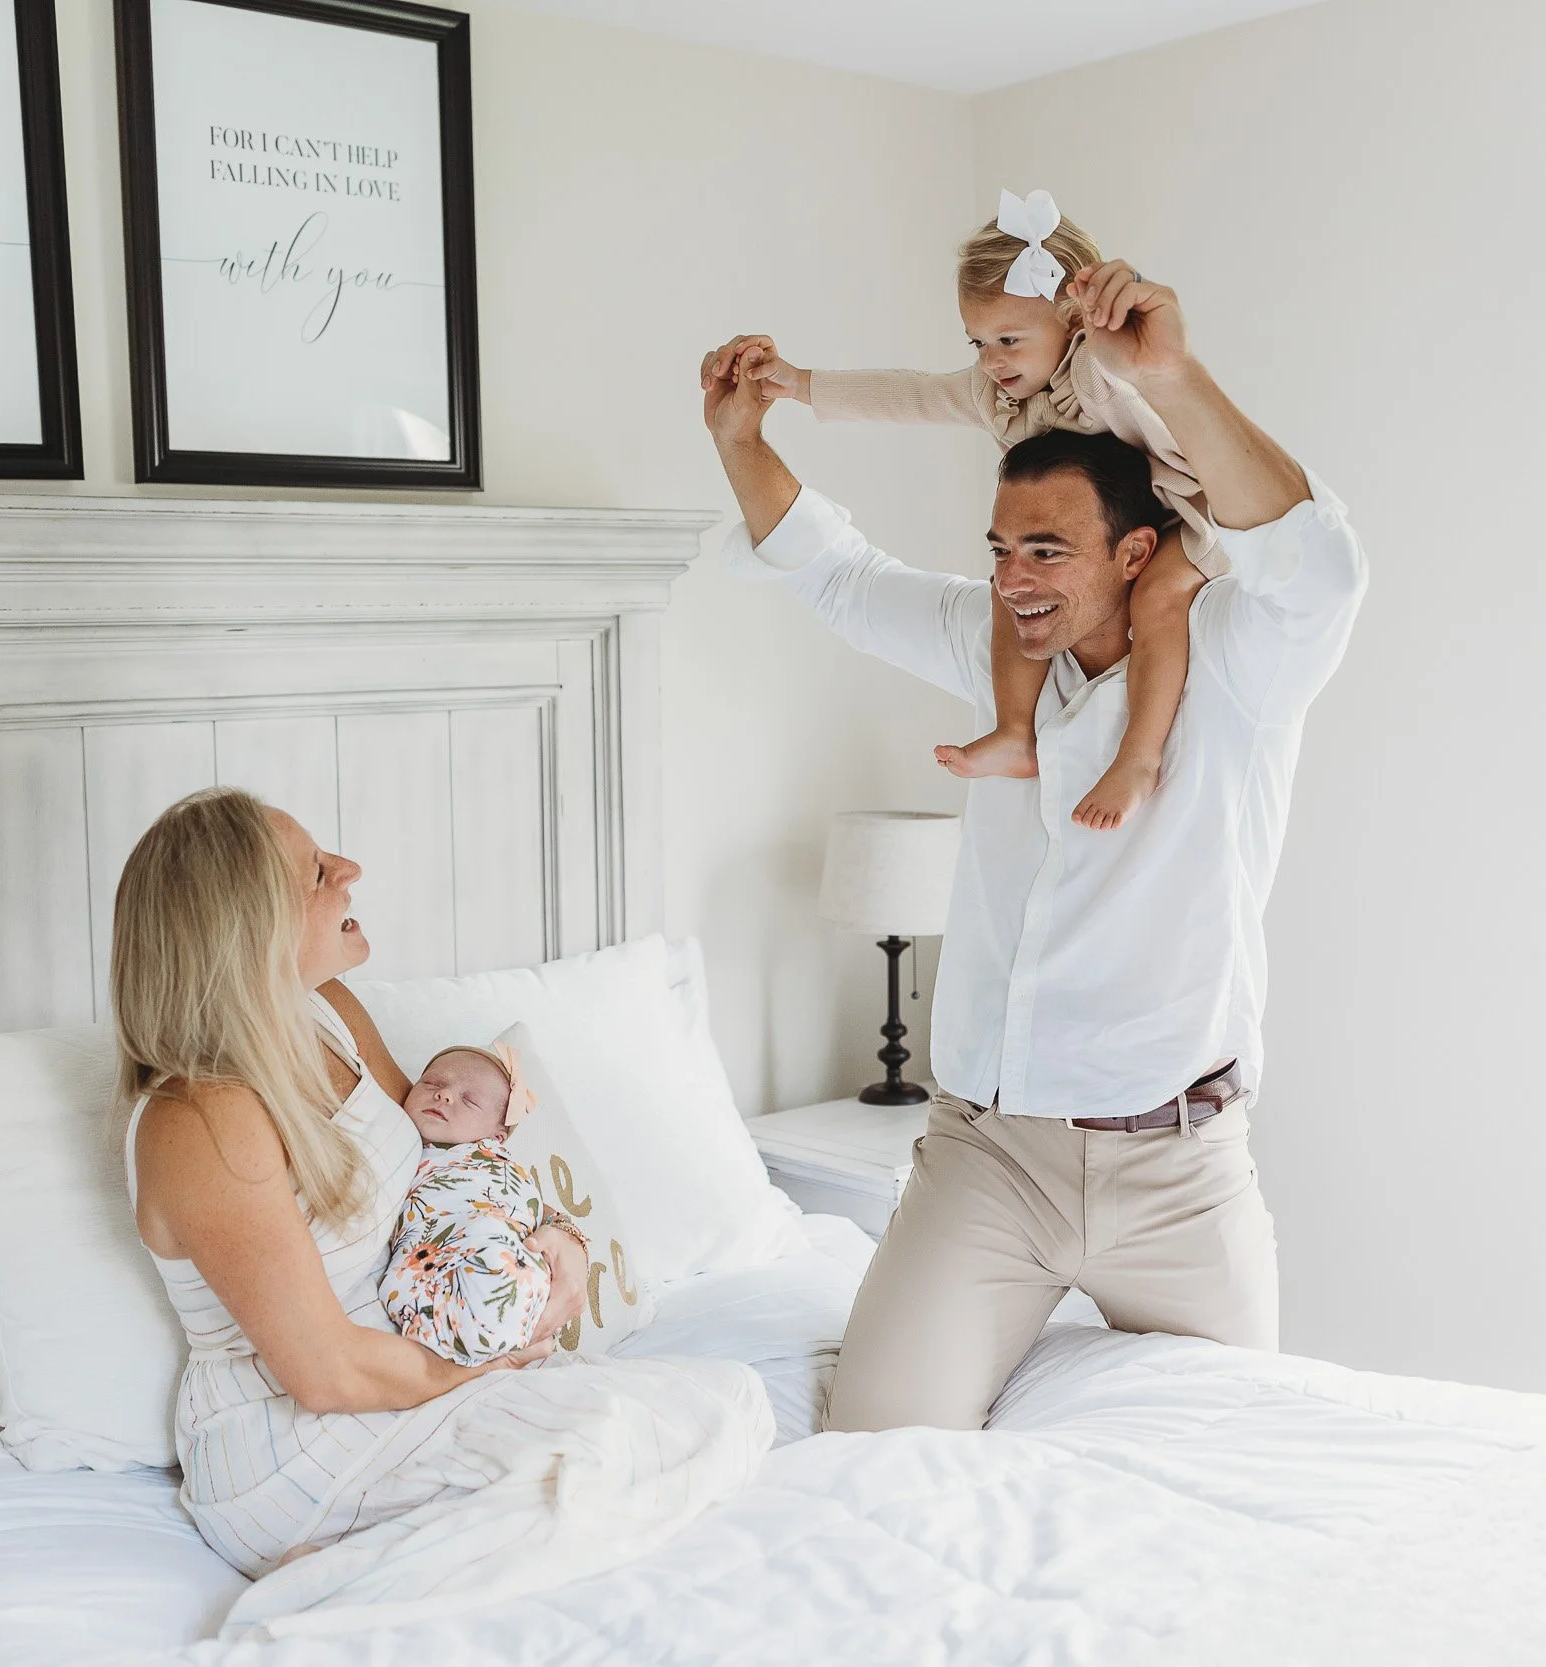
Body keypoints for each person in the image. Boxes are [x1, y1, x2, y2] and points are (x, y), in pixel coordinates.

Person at [699, 262, 1368, 1433]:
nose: (1011, 578)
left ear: (1137, 553)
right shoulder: (992, 642)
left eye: (1047, 550)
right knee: (875, 1441)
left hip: (1177, 1173)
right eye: (1000, 547)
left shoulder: (1240, 669)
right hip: (984, 1159)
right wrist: (740, 437)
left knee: (1236, 1459)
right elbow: (843, 578)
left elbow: (1320, 565)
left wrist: (1171, 373)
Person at [115, 787, 767, 1628]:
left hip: (421, 1359)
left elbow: (445, 1166)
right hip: (301, 1444)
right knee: (640, 1441)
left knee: (729, 1407)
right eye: (318, 872)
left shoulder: (328, 1015)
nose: (350, 871)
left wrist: (554, 1238)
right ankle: (325, 1589)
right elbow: (326, 1372)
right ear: (253, 930)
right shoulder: (201, 1120)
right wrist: (496, 1361)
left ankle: (417, 1556)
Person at [719, 188, 1216, 831]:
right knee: (1008, 594)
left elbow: (1173, 397)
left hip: (1184, 518)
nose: (991, 360)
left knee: (1158, 602)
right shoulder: (995, 392)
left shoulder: (1102, 372)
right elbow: (913, 395)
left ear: (1074, 321)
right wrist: (799, 383)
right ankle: (1016, 729)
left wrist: (1126, 324)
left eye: (1008, 339)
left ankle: (1140, 758)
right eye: (977, 341)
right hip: (1119, 528)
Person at [381, 1042, 574, 1367]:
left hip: (515, 1277)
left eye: (469, 1100)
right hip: (442, 1274)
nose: (443, 1095)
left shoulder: (499, 1164)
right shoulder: (397, 1144)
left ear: (497, 1137)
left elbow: (539, 1212)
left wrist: (564, 1233)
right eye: (432, 1084)